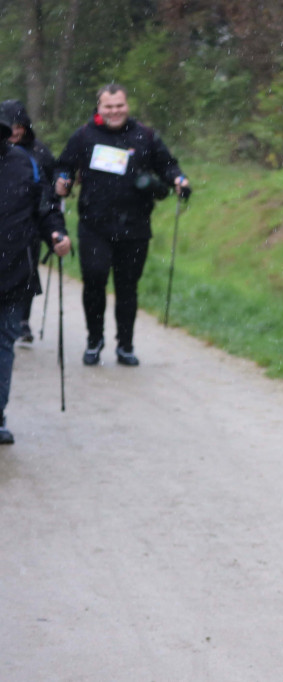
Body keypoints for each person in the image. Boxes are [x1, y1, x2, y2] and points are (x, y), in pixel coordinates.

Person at [54, 83, 190, 367]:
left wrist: (178, 179)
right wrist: (62, 180)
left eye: (119, 106)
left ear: (127, 106)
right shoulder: (84, 135)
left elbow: (167, 165)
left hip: (135, 225)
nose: (114, 111)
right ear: (99, 108)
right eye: (109, 106)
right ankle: (94, 340)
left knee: (127, 286)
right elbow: (63, 165)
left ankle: (125, 345)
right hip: (94, 225)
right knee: (95, 279)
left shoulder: (145, 136)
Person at [0, 110, 72, 443]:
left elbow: (45, 208)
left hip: (13, 271)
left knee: (3, 345)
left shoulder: (24, 164)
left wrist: (57, 234)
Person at [0, 100, 56, 345]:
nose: (15, 131)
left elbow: (50, 182)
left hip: (29, 226)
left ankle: (21, 319)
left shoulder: (39, 152)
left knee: (26, 272)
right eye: (11, 126)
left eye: (19, 126)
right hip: (9, 223)